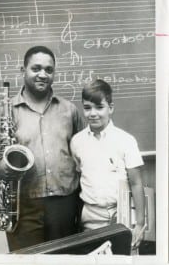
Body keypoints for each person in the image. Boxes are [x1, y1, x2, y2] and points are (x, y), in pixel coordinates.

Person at [0, 46, 85, 251]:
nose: (43, 74)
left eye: (49, 69)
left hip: (65, 204)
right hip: (22, 204)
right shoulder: (3, 111)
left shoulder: (69, 110)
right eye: (36, 68)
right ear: (22, 70)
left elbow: (86, 152)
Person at [70, 79, 145, 249]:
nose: (93, 113)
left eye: (99, 107)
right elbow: (80, 176)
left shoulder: (126, 140)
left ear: (110, 107)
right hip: (90, 218)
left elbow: (136, 183)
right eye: (87, 108)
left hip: (122, 215)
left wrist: (139, 224)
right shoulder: (77, 142)